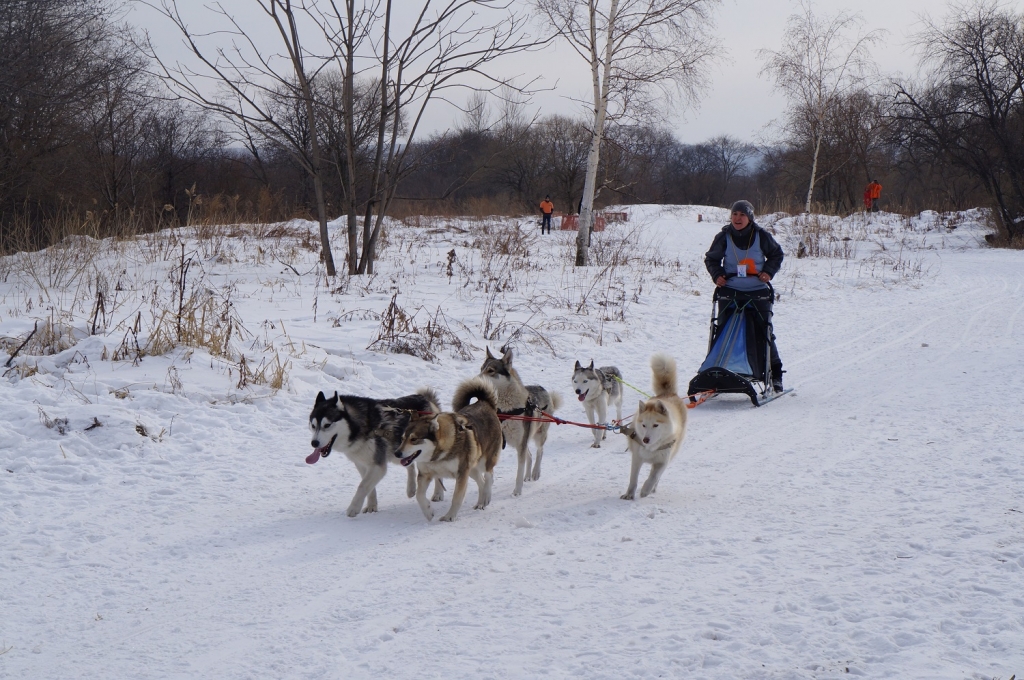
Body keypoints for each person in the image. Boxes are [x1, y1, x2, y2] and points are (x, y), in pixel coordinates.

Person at [704, 200, 785, 392]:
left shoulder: (761, 236)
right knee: (722, 330)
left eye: (742, 215)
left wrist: (768, 272)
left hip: (757, 291)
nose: (737, 218)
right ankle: (718, 373)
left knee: (764, 332)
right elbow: (712, 259)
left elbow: (776, 255)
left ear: (749, 217)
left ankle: (775, 374)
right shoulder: (723, 236)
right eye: (734, 214)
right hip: (730, 291)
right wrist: (717, 275)